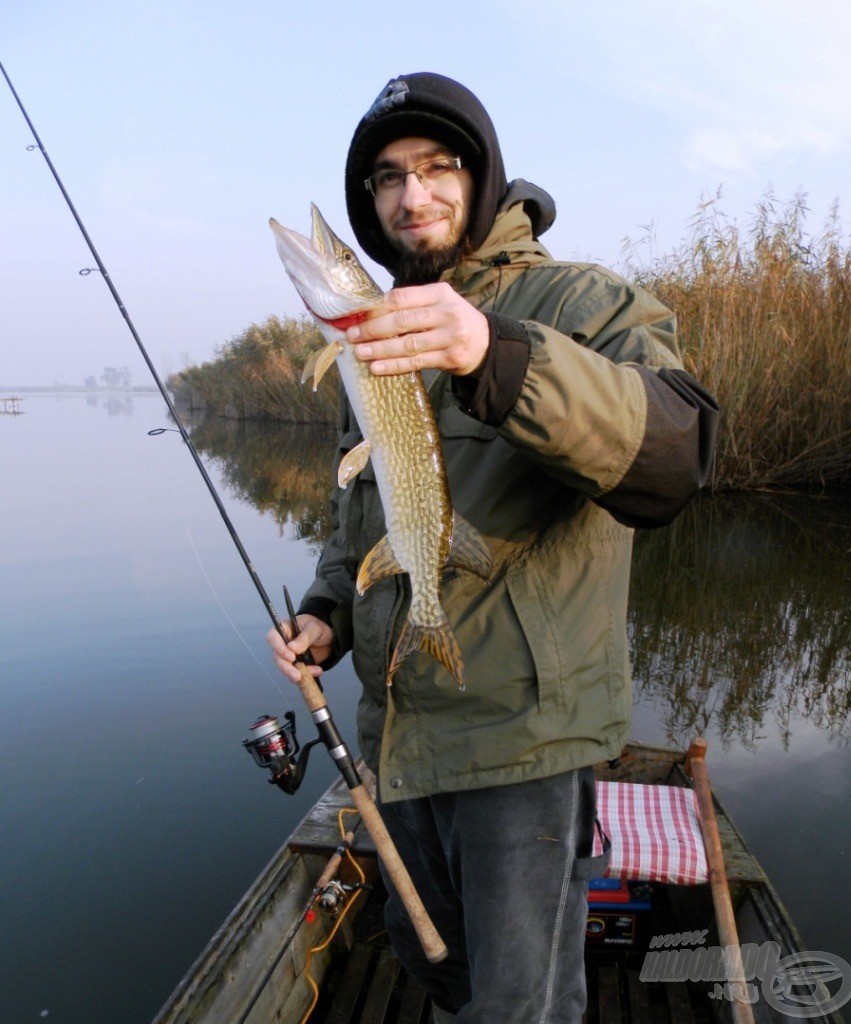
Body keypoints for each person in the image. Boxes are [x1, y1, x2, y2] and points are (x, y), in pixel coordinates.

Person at [268, 72, 718, 1023]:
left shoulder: (581, 299)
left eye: (437, 167)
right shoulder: (372, 345)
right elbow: (365, 521)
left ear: (480, 177)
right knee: (433, 963)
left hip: (523, 744)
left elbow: (678, 453)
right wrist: (326, 616)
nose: (411, 195)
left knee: (521, 1003)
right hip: (400, 740)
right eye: (388, 179)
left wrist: (493, 352)